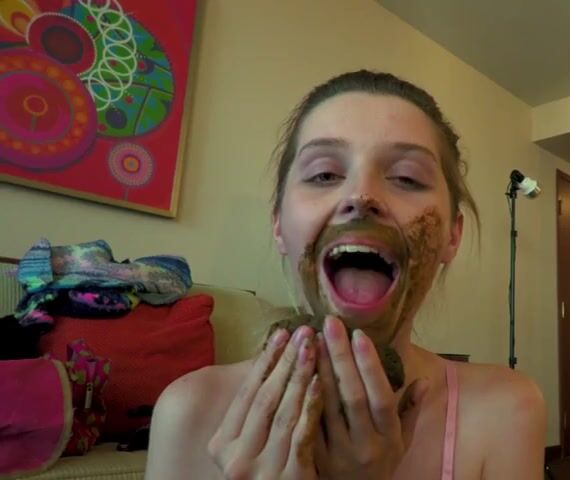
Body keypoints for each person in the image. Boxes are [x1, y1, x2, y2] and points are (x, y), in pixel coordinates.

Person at [146, 70, 545, 480]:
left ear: (452, 236)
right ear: (279, 225)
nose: (360, 195)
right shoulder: (188, 412)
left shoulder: (507, 408)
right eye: (324, 175)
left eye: (407, 178)